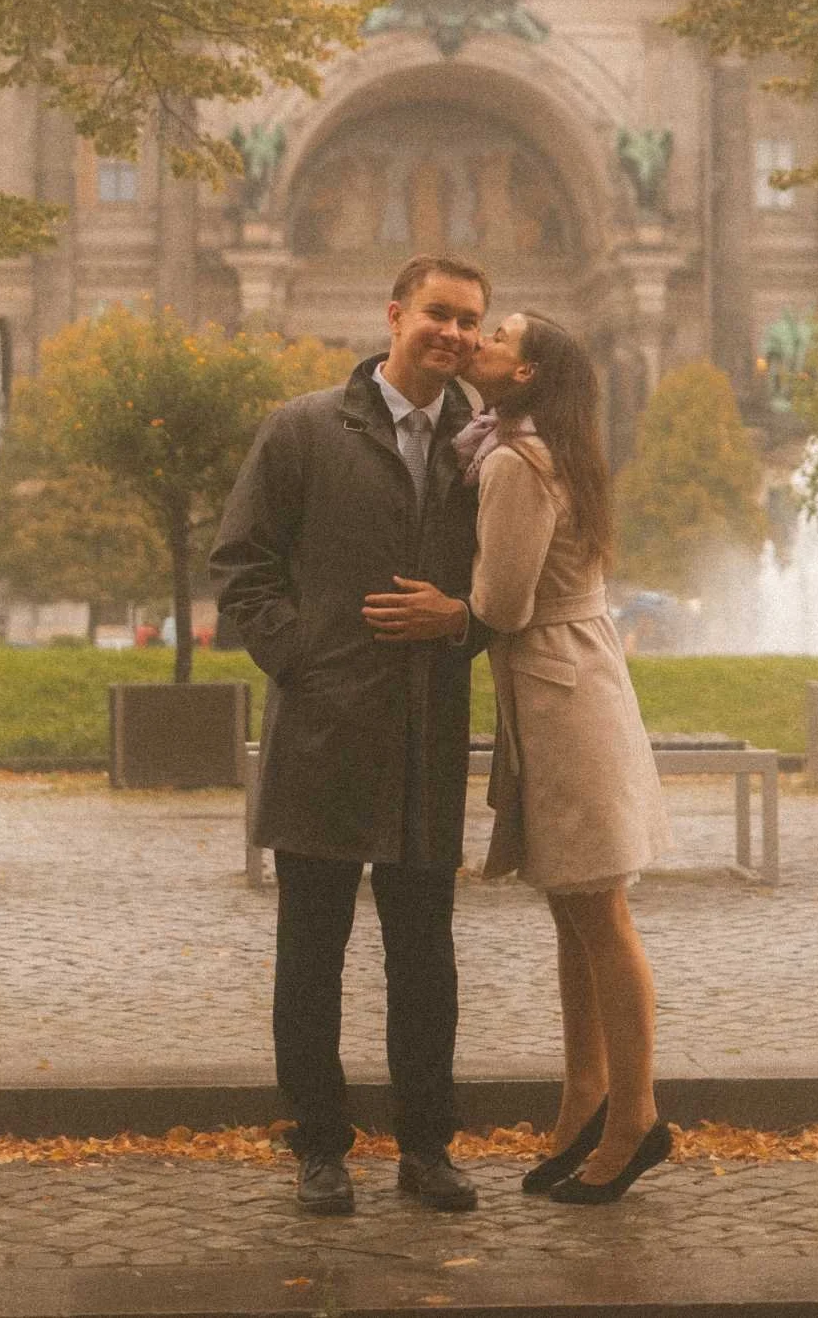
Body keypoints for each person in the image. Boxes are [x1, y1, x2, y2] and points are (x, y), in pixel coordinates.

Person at [211, 256, 491, 1219]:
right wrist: (305, 661)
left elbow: (517, 590)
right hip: (324, 734)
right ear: (395, 316)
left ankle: (426, 1148)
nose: (452, 334)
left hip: (427, 736)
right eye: (437, 315)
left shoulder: (483, 450)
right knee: (311, 952)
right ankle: (319, 1149)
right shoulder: (302, 429)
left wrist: (460, 620)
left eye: (469, 322)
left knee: (426, 954)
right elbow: (242, 566)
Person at [461, 310, 673, 1205]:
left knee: (600, 915)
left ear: (524, 375)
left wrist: (442, 604)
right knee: (575, 913)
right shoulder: (542, 448)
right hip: (572, 685)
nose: (481, 338)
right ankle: (583, 1100)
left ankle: (635, 1118)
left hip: (561, 695)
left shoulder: (515, 461)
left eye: (499, 334)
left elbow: (502, 602)